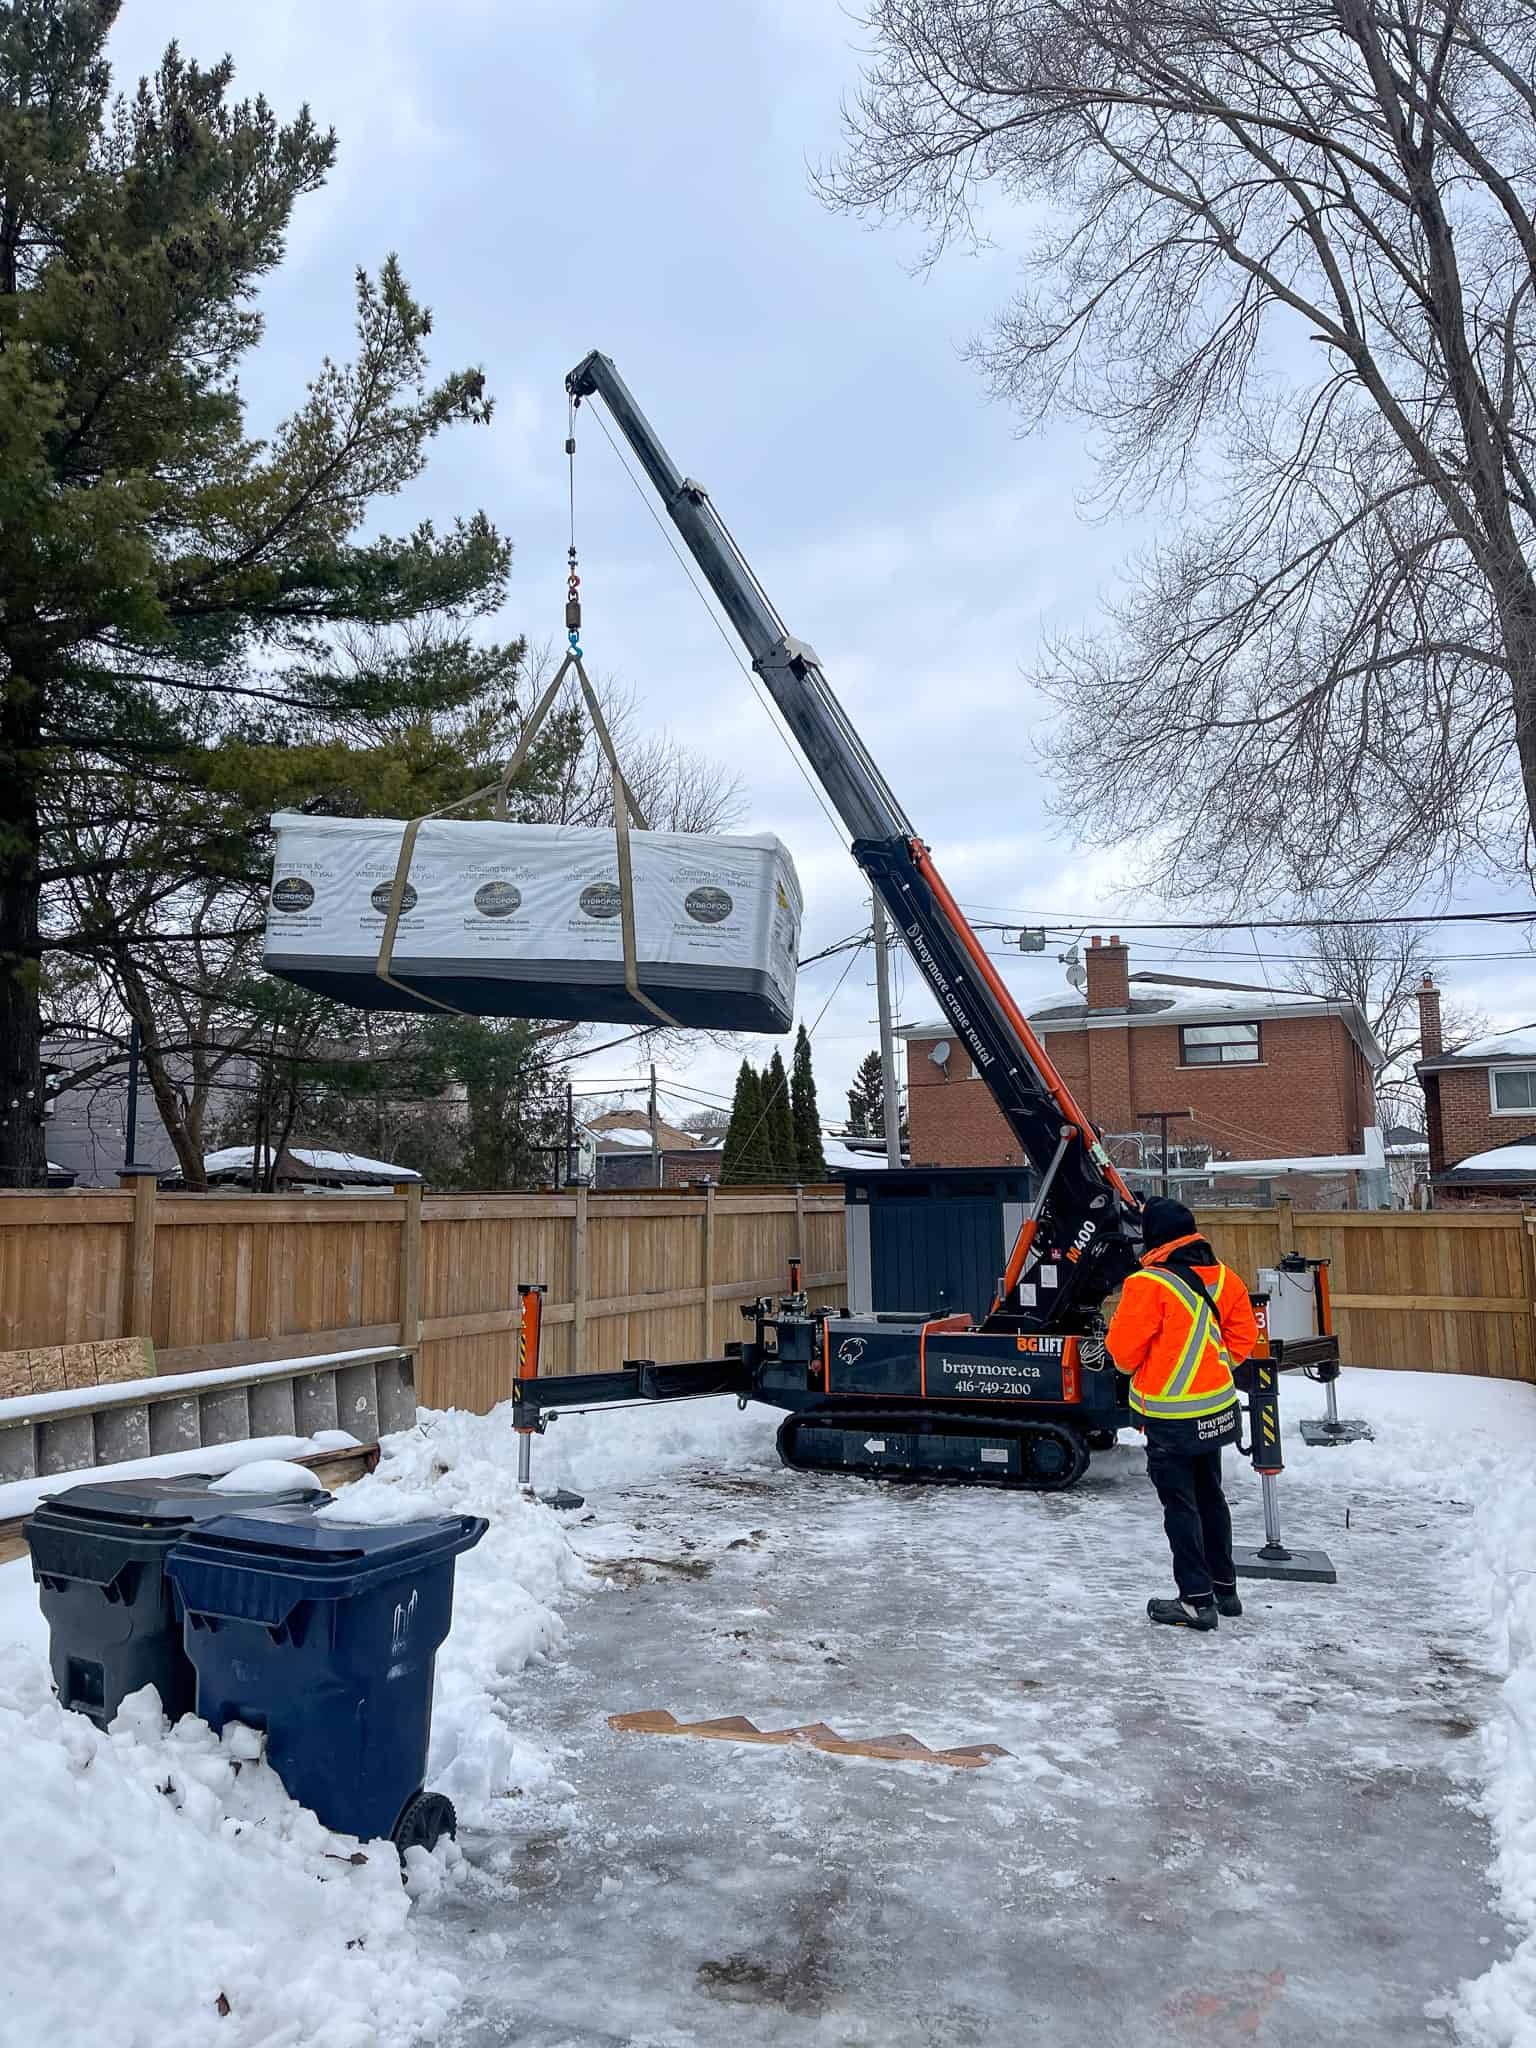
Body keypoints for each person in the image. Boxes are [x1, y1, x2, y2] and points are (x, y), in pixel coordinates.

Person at [1106, 1196, 1259, 1631]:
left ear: (1154, 1237)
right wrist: (1211, 1368)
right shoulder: (1225, 1278)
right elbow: (1242, 1338)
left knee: (1180, 1507)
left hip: (1171, 1418)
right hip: (1217, 1411)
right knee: (1211, 1496)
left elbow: (1121, 1354)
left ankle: (1195, 1601)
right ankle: (1225, 1589)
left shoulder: (1148, 1284)